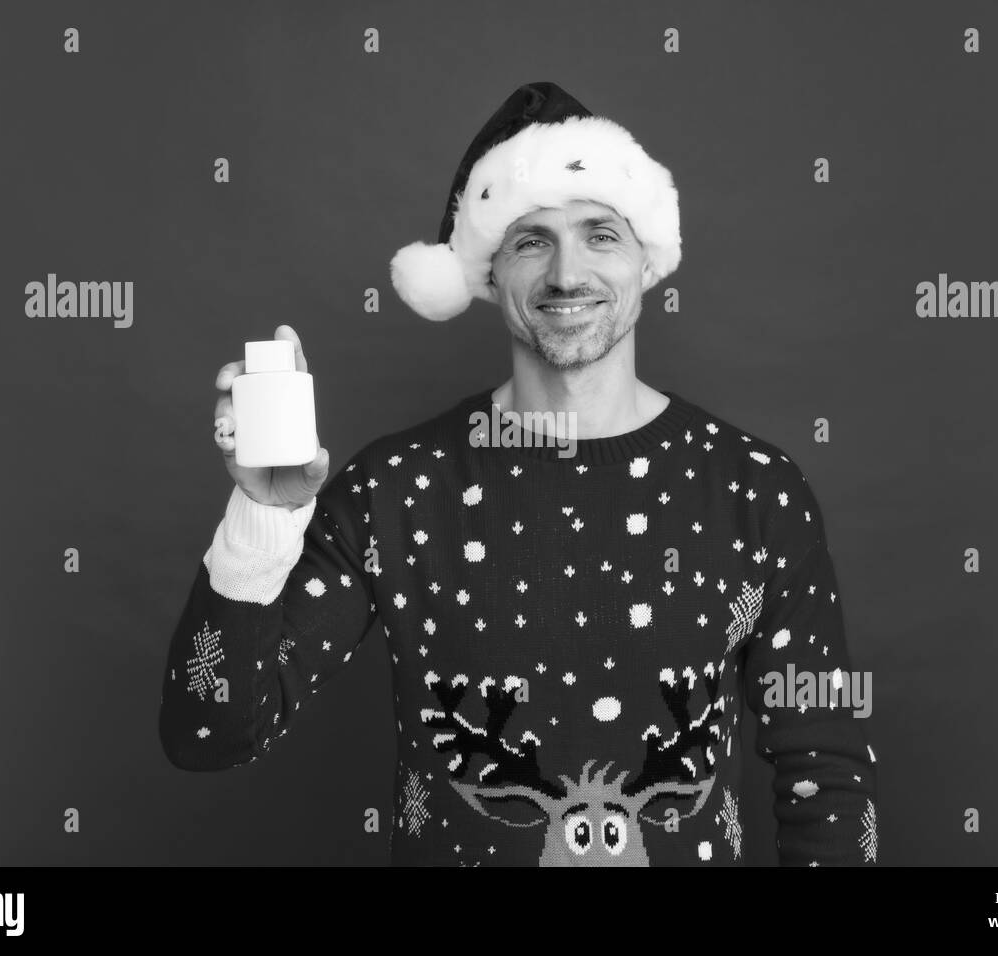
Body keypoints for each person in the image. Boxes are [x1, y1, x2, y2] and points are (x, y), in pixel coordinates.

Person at [159, 81, 879, 867]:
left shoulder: (758, 492)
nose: (567, 275)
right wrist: (263, 522)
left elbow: (826, 773)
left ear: (648, 260)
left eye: (600, 234)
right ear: (488, 273)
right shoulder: (395, 491)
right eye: (531, 240)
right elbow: (210, 734)